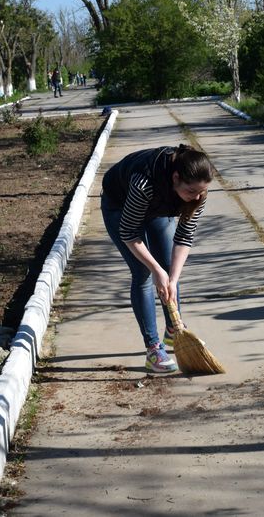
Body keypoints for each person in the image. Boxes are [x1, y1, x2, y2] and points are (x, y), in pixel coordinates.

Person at [100, 144, 213, 373]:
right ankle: (153, 349)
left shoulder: (197, 190)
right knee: (143, 273)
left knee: (170, 268)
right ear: (175, 178)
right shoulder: (144, 183)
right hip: (119, 206)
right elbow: (129, 232)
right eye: (191, 192)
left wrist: (171, 277)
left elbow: (185, 236)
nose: (197, 197)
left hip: (157, 207)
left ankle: (175, 329)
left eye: (201, 192)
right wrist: (156, 271)